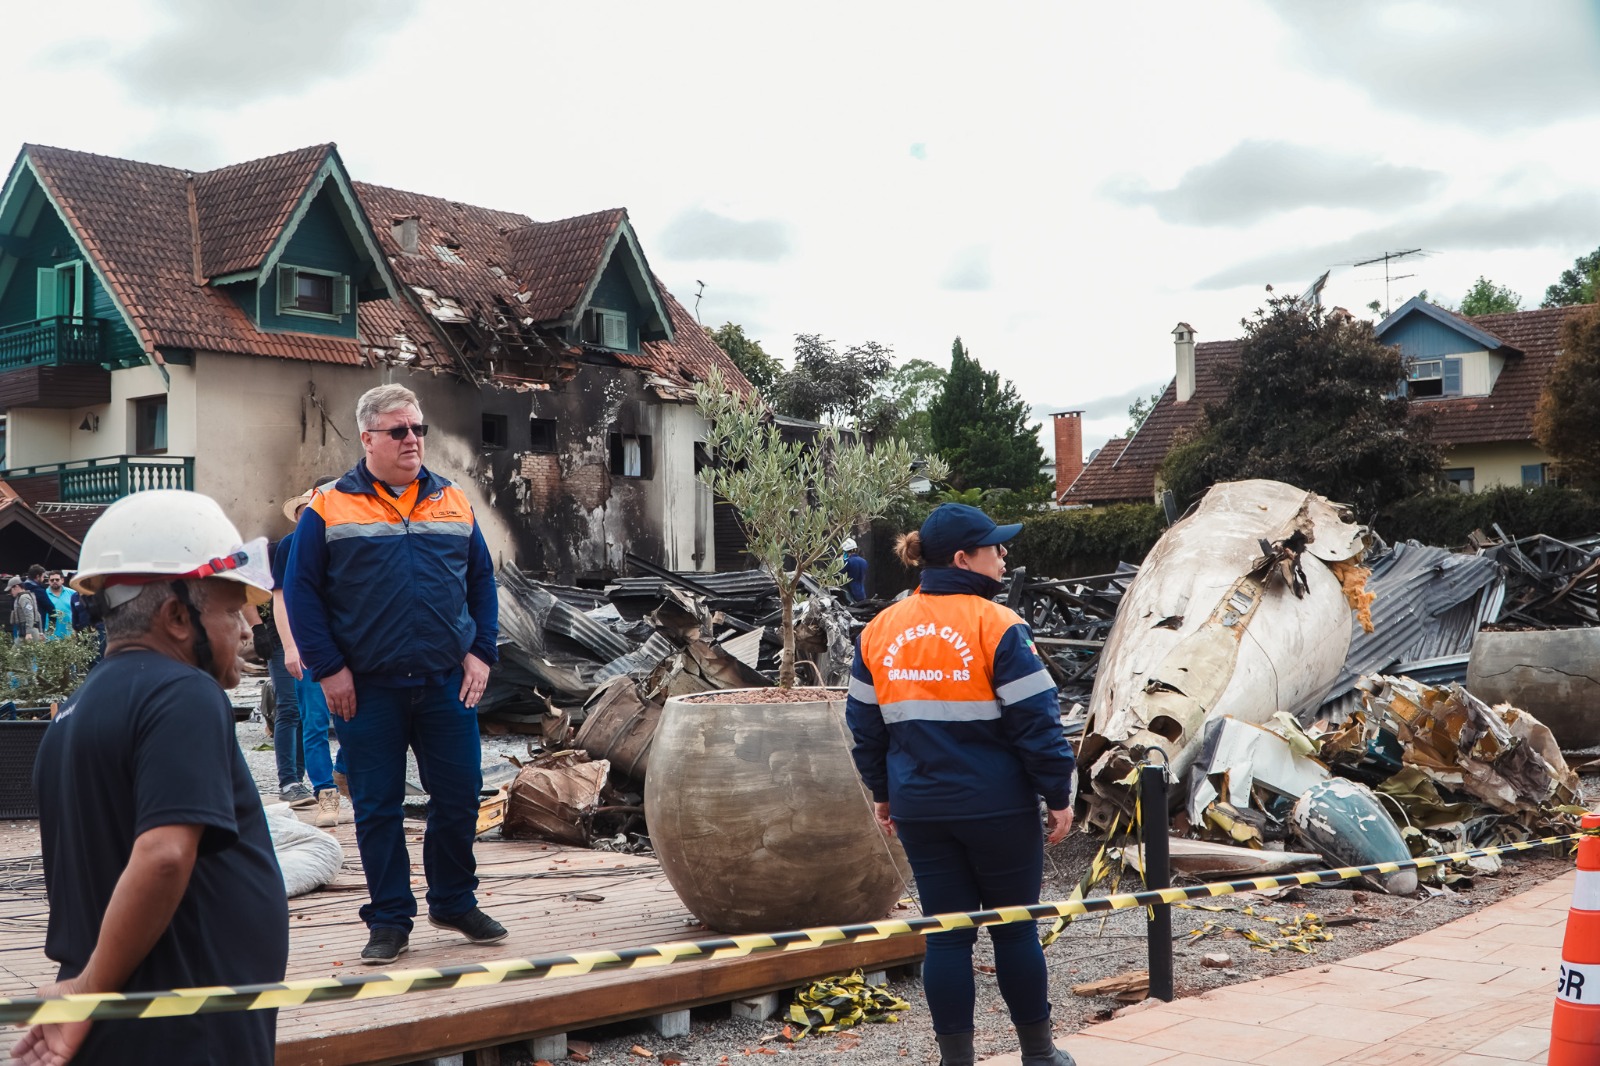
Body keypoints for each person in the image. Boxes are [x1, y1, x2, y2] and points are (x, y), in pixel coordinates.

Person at [22, 490, 287, 1066]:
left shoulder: (71, 714)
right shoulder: (183, 694)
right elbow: (164, 855)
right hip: (185, 1035)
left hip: (120, 1034)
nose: (246, 630)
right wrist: (91, 990)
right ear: (174, 616)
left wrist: (87, 991)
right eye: (228, 610)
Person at [846, 503, 1077, 1066]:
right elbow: (1038, 724)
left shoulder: (879, 629)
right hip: (996, 808)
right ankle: (1040, 1058)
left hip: (921, 808)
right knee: (1016, 930)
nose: (1003, 555)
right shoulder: (997, 626)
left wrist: (883, 792)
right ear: (962, 558)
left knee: (946, 935)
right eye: (994, 546)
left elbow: (863, 727)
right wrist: (1059, 794)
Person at [286, 383, 502, 966]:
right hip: (368, 688)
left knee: (458, 798)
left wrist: (482, 650)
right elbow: (301, 593)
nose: (413, 440)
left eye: (418, 429)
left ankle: (453, 901)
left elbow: (482, 582)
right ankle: (388, 920)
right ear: (368, 439)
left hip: (444, 683)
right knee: (377, 807)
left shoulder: (453, 500)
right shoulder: (328, 506)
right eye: (399, 431)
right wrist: (329, 669)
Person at [275, 478, 345, 829]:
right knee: (314, 722)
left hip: (348, 646)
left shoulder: (345, 539)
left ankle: (344, 772)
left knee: (357, 719)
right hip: (308, 648)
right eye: (305, 510)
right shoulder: (289, 546)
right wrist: (290, 646)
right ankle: (326, 792)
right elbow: (280, 598)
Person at [43, 571, 78, 641]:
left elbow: (78, 612)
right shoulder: (43, 595)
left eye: (57, 579)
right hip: (50, 636)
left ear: (62, 580)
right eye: (52, 580)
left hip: (69, 634)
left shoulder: (73, 593)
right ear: (48, 581)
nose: (54, 581)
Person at [8, 575, 43, 641]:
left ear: (16, 587)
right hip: (26, 631)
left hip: (29, 632)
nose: (10, 593)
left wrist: (28, 632)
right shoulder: (22, 597)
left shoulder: (23, 598)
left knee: (15, 651)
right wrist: (40, 632)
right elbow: (38, 615)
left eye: (11, 590)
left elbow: (29, 615)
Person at [842, 537, 868, 603]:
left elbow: (839, 573)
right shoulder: (864, 561)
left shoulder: (847, 562)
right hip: (861, 592)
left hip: (850, 594)